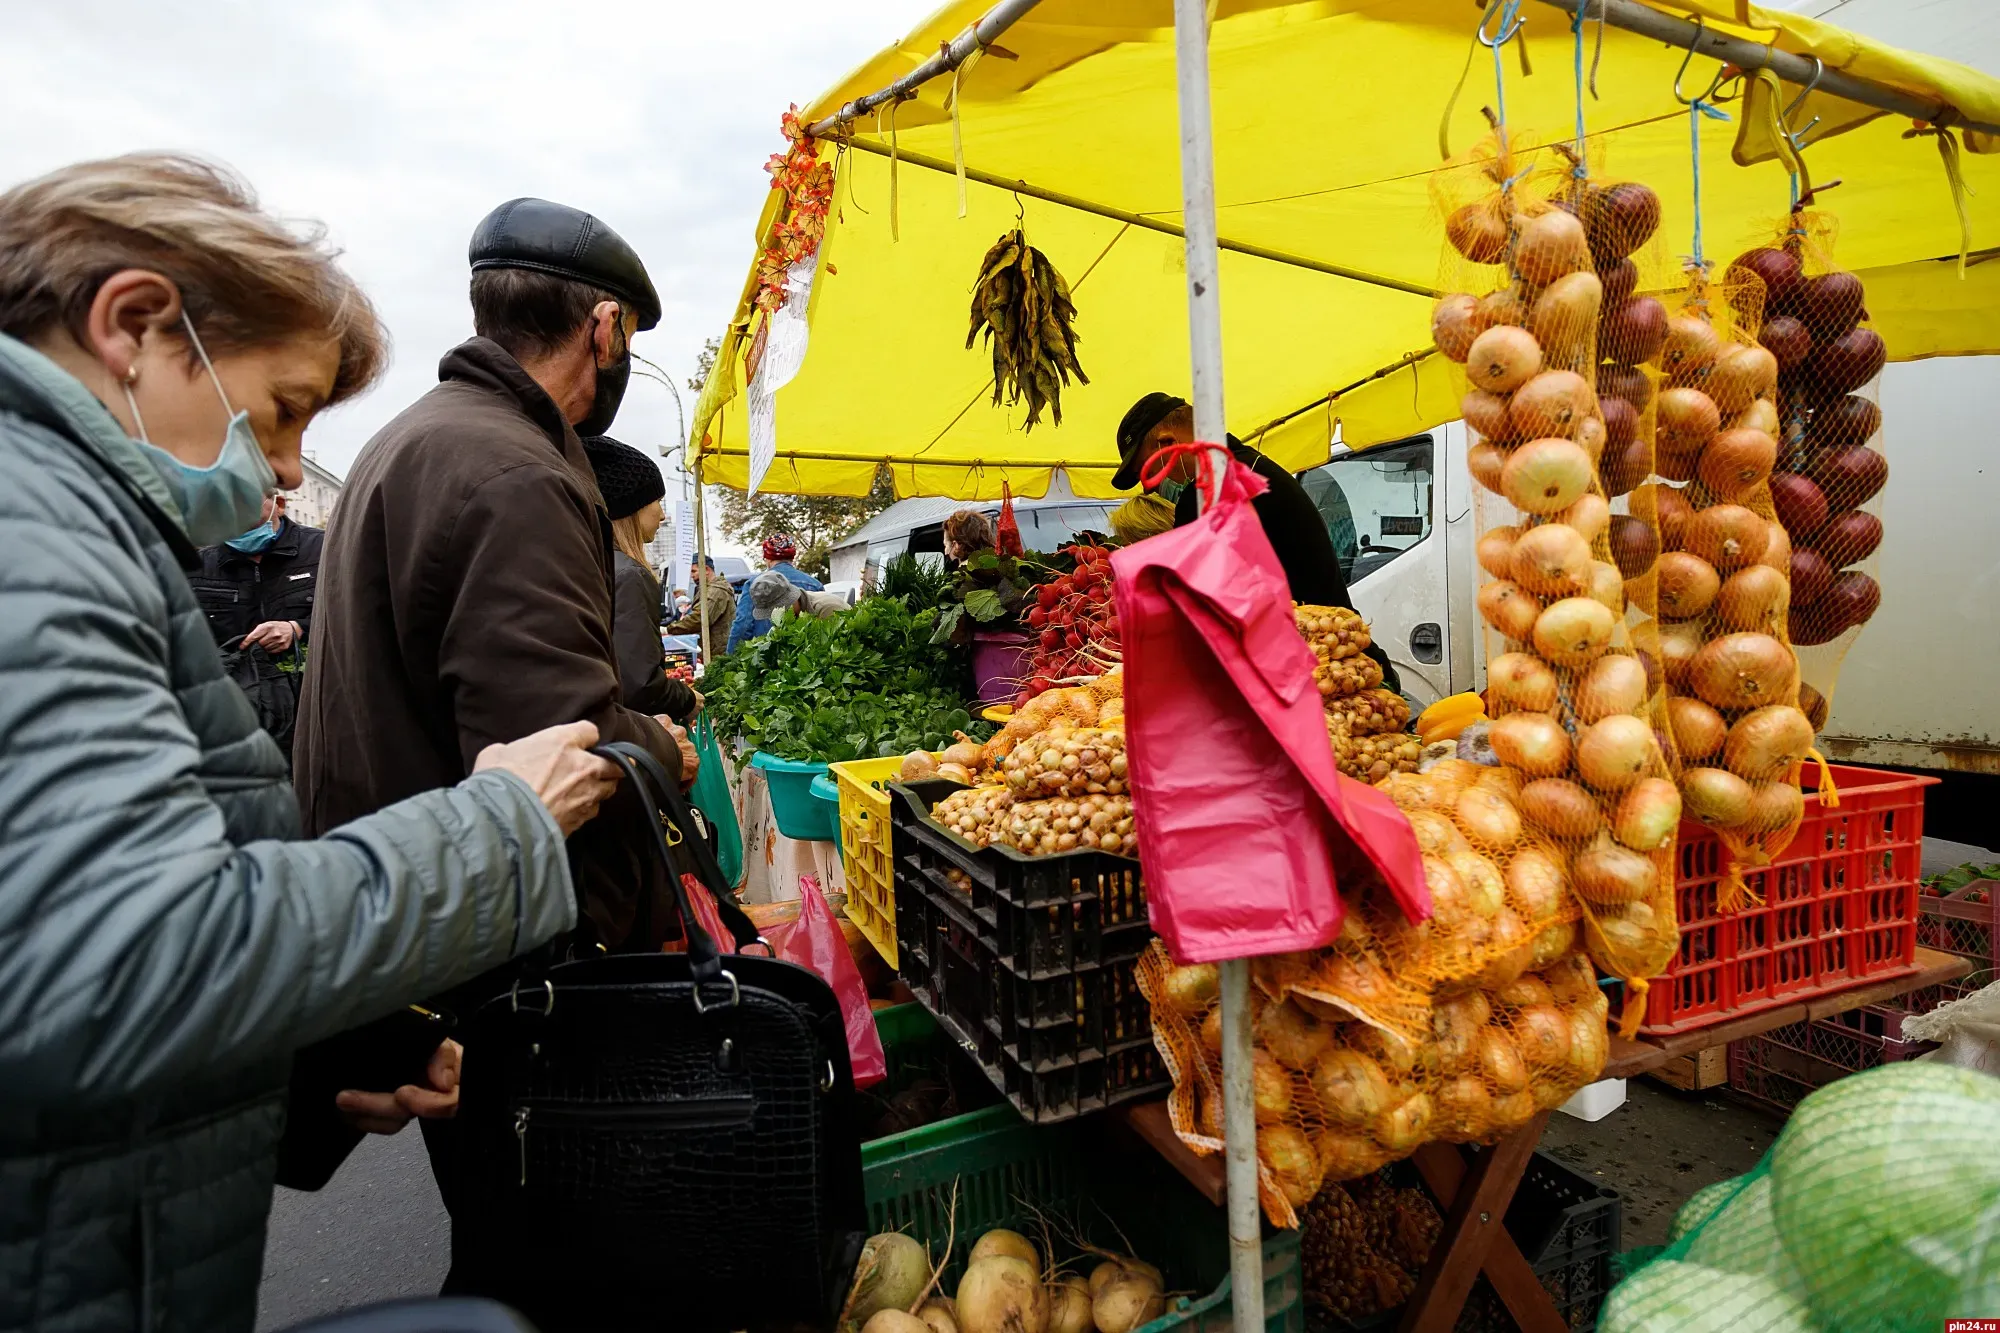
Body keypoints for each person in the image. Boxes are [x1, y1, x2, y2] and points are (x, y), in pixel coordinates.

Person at [0, 154, 621, 1333]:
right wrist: (502, 827)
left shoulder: (74, 525)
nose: (288, 469)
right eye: (282, 408)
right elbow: (125, 960)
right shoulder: (33, 528)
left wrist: (299, 1062)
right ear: (133, 324)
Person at [292, 194, 702, 1296]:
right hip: (507, 981)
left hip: (428, 946)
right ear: (604, 329)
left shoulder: (412, 438)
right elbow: (556, 757)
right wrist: (660, 749)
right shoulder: (514, 467)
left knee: (505, 1242)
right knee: (551, 1266)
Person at [1112, 391, 1398, 690]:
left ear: (1168, 445)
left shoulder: (1209, 495)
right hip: (1349, 658)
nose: (1148, 485)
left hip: (1329, 678)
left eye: (1148, 470)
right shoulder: (1251, 468)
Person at [193, 490, 321, 755]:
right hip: (239, 721)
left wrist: (298, 629)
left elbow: (352, 614)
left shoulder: (325, 550)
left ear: (279, 505)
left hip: (315, 713)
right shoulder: (197, 567)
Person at [583, 433, 699, 723]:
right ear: (631, 507)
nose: (662, 515)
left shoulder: (593, 564)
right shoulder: (630, 575)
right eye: (657, 501)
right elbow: (638, 686)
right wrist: (687, 699)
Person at [727, 531, 822, 652]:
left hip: (766, 656)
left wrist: (730, 658)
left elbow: (743, 625)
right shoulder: (814, 584)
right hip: (805, 657)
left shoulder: (755, 585)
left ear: (767, 558)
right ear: (792, 557)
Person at [670, 553, 737, 655]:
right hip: (712, 650)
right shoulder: (707, 590)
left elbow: (699, 618)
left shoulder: (715, 592)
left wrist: (669, 629)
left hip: (716, 653)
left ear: (706, 569)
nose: (691, 576)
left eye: (694, 571)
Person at [749, 569, 849, 624]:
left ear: (791, 598)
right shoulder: (785, 619)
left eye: (778, 609)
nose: (775, 616)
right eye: (770, 613)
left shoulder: (828, 608)